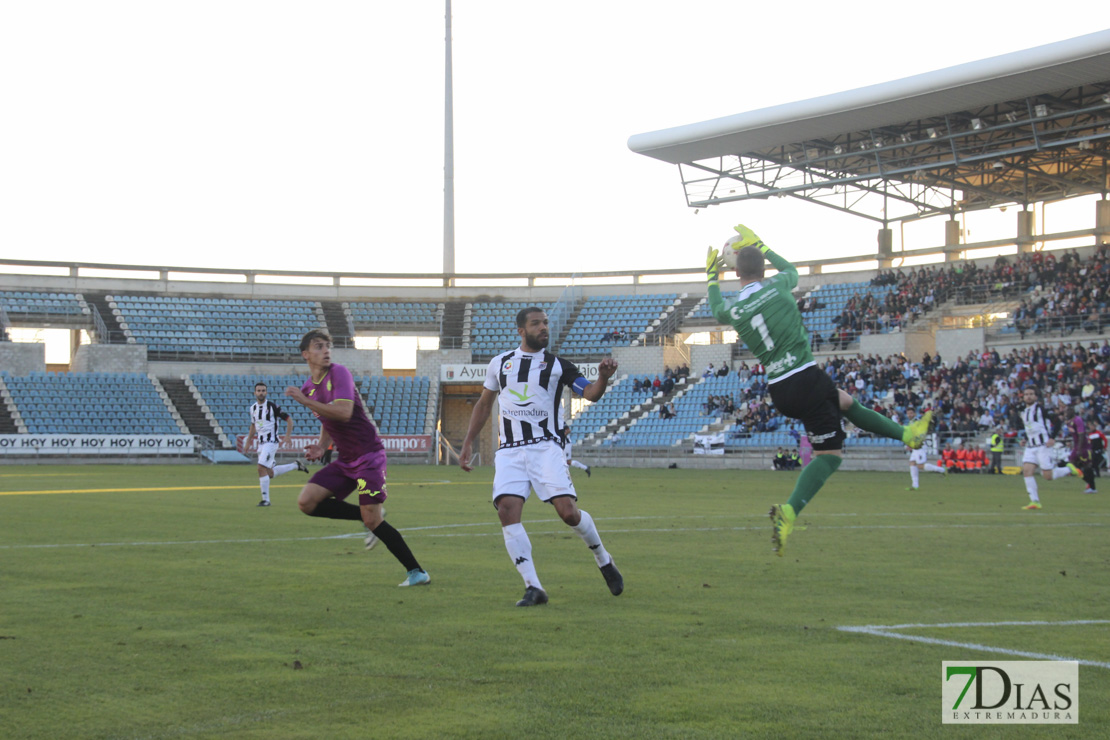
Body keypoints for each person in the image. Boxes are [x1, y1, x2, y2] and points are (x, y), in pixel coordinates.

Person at [706, 224, 931, 556]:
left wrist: (712, 277)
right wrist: (763, 245)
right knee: (830, 457)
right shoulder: (780, 286)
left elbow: (716, 309)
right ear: (763, 269)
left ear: (735, 271)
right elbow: (792, 270)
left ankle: (908, 435)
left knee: (844, 400)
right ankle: (790, 511)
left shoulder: (734, 309)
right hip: (804, 377)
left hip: (780, 389)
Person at [459, 307, 622, 607]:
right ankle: (534, 587)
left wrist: (603, 378)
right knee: (506, 510)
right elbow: (484, 405)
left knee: (568, 513)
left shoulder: (559, 366)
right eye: (536, 324)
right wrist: (468, 442)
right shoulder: (500, 364)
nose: (543, 328)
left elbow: (590, 394)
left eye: (545, 323)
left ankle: (603, 558)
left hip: (546, 447)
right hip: (509, 450)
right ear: (521, 331)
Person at [284, 329, 429, 587]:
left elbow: (343, 412)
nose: (326, 350)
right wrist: (321, 447)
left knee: (373, 519)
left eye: (328, 345)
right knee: (306, 502)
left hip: (368, 456)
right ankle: (364, 517)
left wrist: (305, 403)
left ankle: (417, 572)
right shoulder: (308, 387)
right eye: (319, 346)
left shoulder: (338, 373)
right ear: (306, 354)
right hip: (345, 460)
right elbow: (328, 420)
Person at [242, 382, 307, 506]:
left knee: (260, 467)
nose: (261, 393)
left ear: (266, 392)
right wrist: (249, 440)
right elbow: (253, 425)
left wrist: (287, 436)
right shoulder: (253, 408)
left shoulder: (273, 407)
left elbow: (289, 420)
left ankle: (266, 500)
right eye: (259, 390)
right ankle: (295, 465)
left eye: (263, 390)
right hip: (261, 444)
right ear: (255, 393)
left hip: (271, 442)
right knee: (269, 473)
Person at [1017, 387, 1080, 511]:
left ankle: (1068, 469)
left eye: (1031, 394)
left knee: (1047, 476)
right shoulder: (1024, 412)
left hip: (1043, 446)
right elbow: (1030, 428)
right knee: (1027, 471)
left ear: (1036, 397)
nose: (1028, 396)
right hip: (1031, 446)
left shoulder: (1041, 409)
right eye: (1026, 394)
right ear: (1023, 397)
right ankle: (1035, 501)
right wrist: (1024, 438)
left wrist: (1052, 437)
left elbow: (1057, 422)